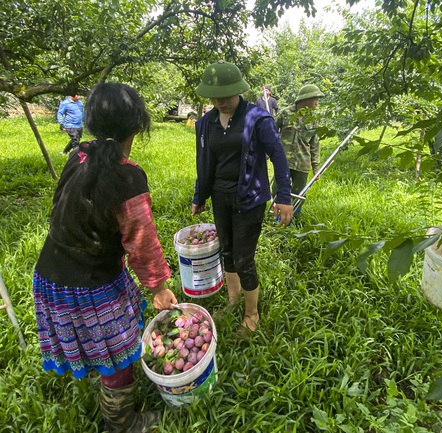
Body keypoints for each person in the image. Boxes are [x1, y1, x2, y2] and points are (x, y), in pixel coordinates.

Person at [33, 82, 178, 432]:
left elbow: (59, 208)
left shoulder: (77, 155)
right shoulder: (127, 177)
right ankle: (121, 422)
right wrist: (158, 287)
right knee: (118, 356)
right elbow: (141, 241)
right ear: (137, 125)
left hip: (52, 272)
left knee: (104, 340)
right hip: (89, 284)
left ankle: (106, 380)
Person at [191, 60, 293, 332]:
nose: (219, 101)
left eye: (225, 96)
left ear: (238, 90)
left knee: (243, 257)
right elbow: (204, 161)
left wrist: (284, 195)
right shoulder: (206, 122)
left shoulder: (257, 118)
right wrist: (199, 195)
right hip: (220, 196)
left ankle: (252, 315)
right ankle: (234, 300)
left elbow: (279, 156)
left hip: (250, 197)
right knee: (226, 250)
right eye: (214, 97)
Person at [273, 84, 325, 211]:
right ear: (305, 99)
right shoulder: (285, 113)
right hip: (283, 160)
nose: (317, 102)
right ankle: (276, 214)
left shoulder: (313, 120)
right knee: (277, 189)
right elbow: (271, 132)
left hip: (302, 163)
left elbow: (314, 144)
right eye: (315, 98)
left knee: (299, 192)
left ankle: (294, 216)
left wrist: (316, 166)